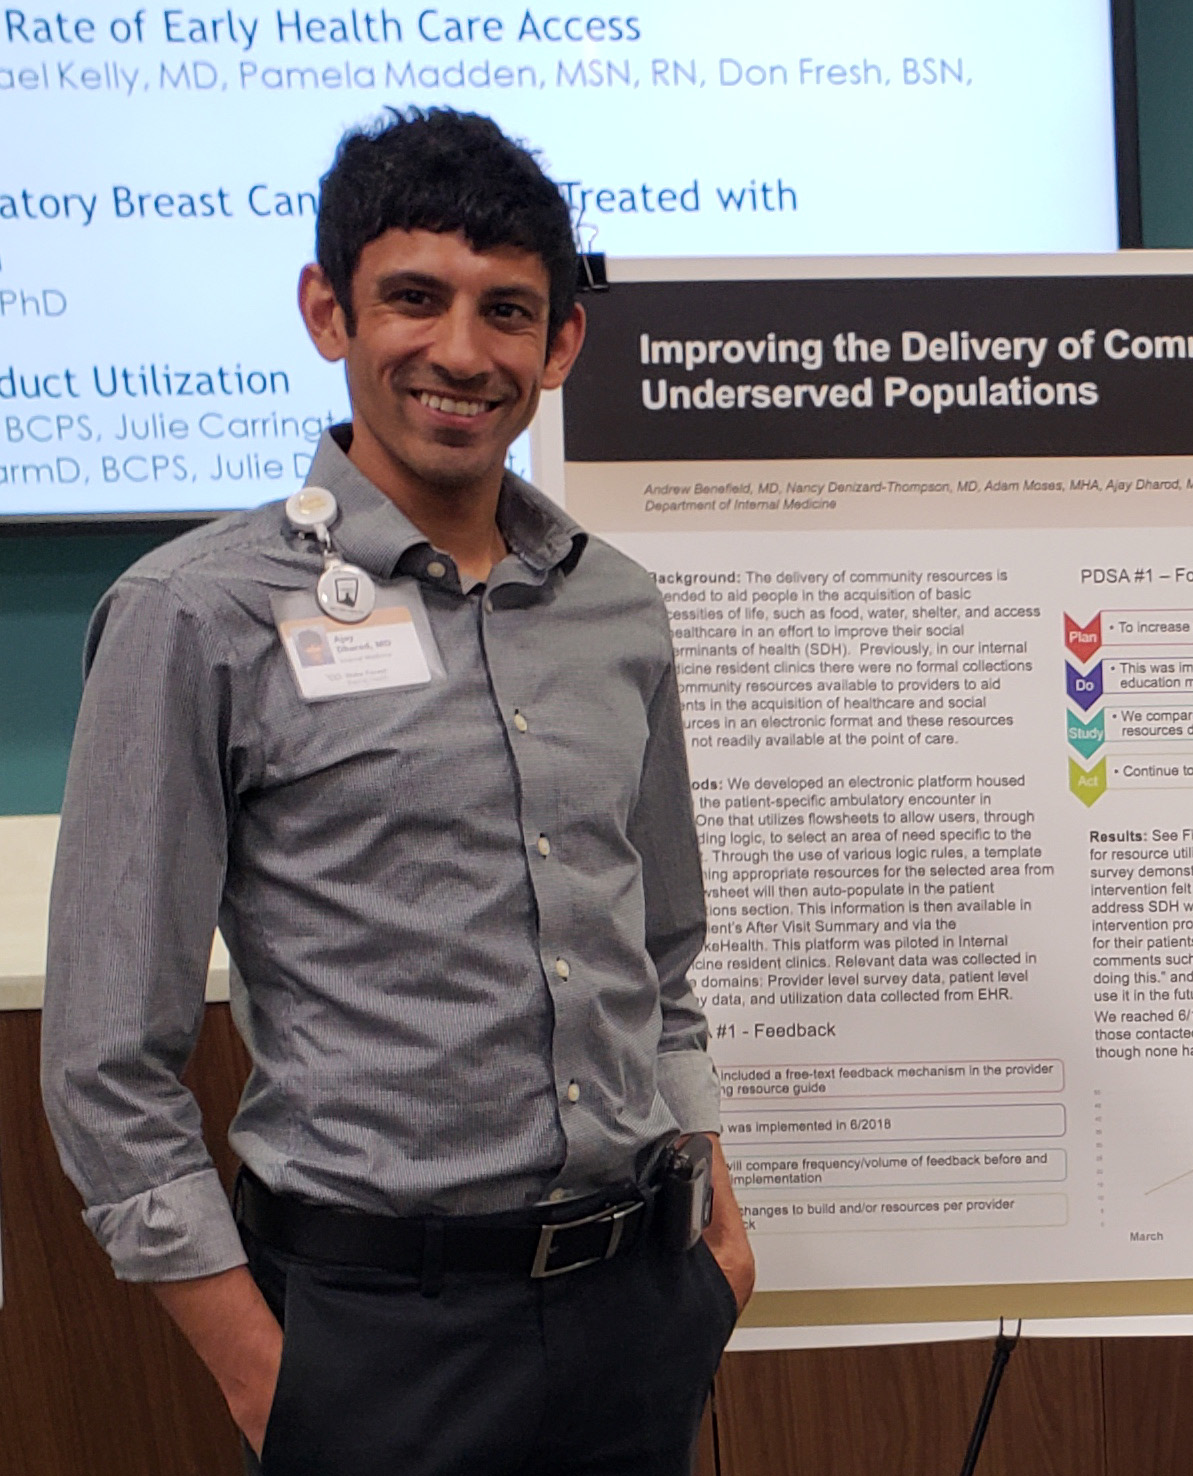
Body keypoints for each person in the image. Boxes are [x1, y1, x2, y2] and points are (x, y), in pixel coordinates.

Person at [41, 108, 753, 1474]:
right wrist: (267, 1378)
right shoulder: (197, 615)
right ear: (329, 312)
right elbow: (102, 1062)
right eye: (413, 299)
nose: (462, 353)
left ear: (562, 344)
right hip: (376, 1344)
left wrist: (717, 1243)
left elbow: (661, 956)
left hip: (637, 1312)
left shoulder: (618, 605)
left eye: (509, 312)